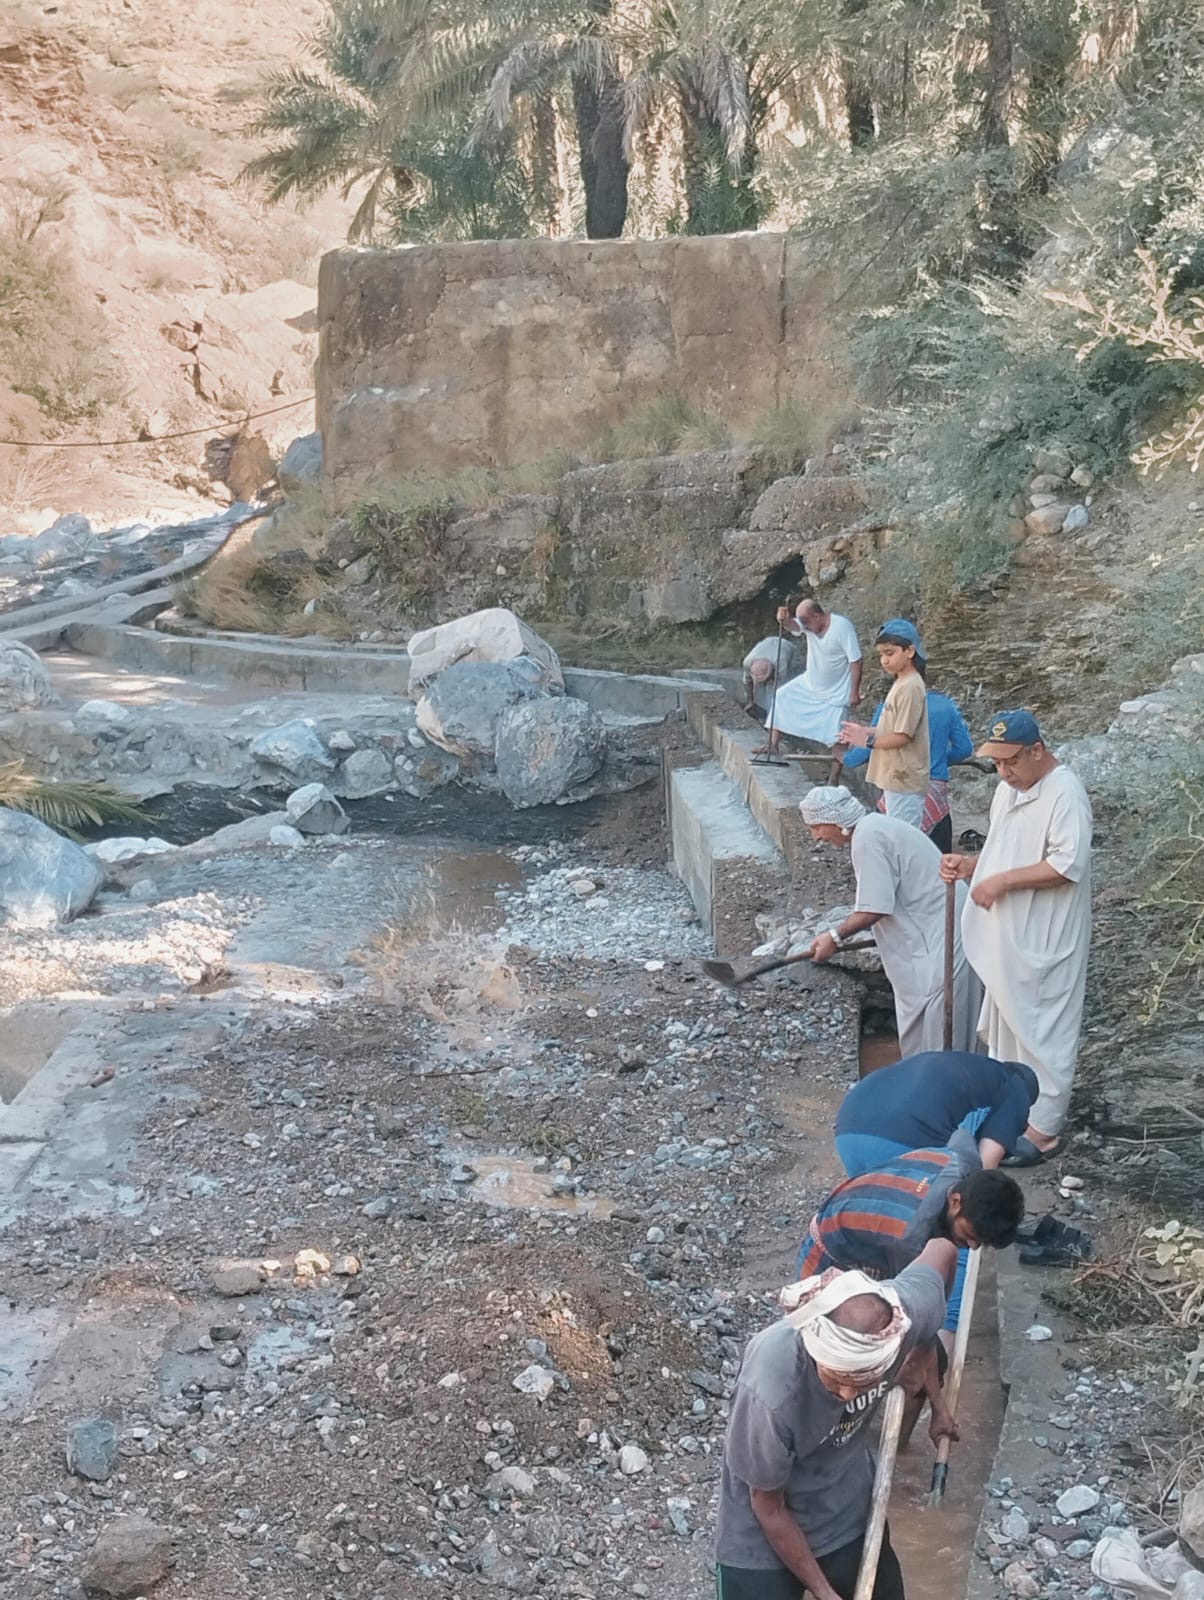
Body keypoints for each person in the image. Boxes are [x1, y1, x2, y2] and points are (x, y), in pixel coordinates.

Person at [715, 1241, 958, 1600]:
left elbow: (943, 1250)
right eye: (836, 1379)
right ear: (816, 1352)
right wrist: (824, 1593)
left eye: (862, 1381)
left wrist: (936, 1399)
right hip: (759, 1532)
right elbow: (768, 1507)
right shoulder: (770, 1390)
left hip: (843, 1510)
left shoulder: (901, 1317)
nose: (846, 1396)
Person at [940, 710, 1093, 1167]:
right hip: (1009, 932)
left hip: (1046, 932)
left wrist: (1000, 882)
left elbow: (1066, 865)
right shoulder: (1009, 789)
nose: (1004, 772)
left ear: (1037, 751)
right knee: (1010, 1022)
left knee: (1044, 1025)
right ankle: (1011, 1111)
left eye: (1012, 761)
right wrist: (971, 865)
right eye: (998, 763)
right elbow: (1003, 847)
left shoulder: (1065, 793)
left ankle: (1043, 1129)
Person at [798, 786, 981, 1055]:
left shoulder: (868, 838)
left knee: (940, 1031)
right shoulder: (875, 827)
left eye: (816, 827)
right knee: (932, 1030)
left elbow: (874, 908)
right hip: (943, 930)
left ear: (835, 822)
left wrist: (834, 937)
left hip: (943, 937)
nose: (816, 837)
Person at [834, 1051, 1040, 1176]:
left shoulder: (970, 1067)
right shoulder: (1017, 1088)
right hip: (903, 1138)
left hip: (848, 1127)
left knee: (873, 1207)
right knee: (937, 1215)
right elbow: (984, 1171)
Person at [841, 688, 974, 853]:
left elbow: (866, 749)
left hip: (900, 789)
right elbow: (964, 749)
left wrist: (844, 757)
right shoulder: (945, 705)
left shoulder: (890, 706)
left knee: (893, 851)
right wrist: (938, 761)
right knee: (940, 859)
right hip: (934, 793)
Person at [840, 620, 930, 829]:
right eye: (881, 654)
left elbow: (903, 735)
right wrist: (864, 731)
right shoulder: (901, 683)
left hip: (904, 779)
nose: (884, 660)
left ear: (909, 651)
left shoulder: (910, 687)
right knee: (895, 832)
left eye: (890, 653)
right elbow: (892, 727)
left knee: (902, 835)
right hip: (895, 777)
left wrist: (868, 741)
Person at [755, 599, 862, 757]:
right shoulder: (808, 623)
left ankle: (836, 769)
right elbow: (793, 626)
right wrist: (785, 620)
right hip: (809, 683)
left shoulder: (842, 627)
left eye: (806, 622)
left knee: (838, 735)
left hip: (836, 690)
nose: (804, 626)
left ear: (817, 616)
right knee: (781, 696)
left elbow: (856, 661)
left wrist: (854, 692)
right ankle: (772, 744)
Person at [743, 634, 802, 723]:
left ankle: (785, 716)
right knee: (762, 692)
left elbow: (780, 689)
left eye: (766, 679)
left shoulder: (781, 661)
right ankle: (764, 713)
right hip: (767, 643)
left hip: (786, 647)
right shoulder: (747, 662)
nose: (764, 682)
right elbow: (747, 682)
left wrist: (774, 710)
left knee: (788, 684)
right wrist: (750, 701)